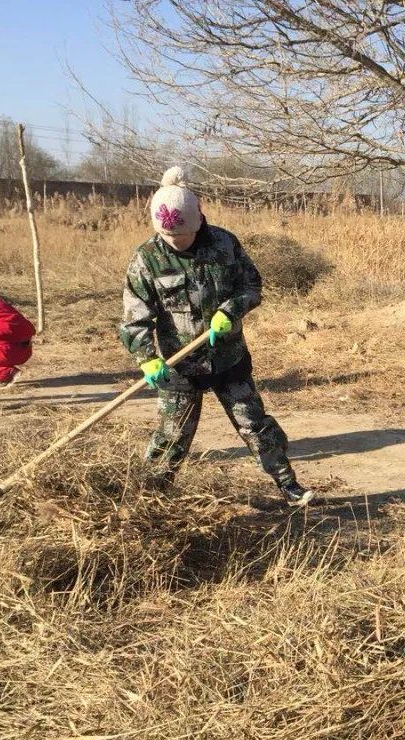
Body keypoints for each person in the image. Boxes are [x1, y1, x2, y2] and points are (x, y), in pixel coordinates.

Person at [120, 166, 313, 504]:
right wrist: (147, 359)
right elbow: (134, 319)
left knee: (254, 425)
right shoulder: (146, 259)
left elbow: (251, 286)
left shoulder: (224, 243)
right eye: (169, 239)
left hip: (228, 358)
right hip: (178, 365)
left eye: (182, 237)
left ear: (198, 220)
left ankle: (288, 484)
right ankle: (149, 496)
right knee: (172, 436)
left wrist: (231, 310)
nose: (175, 243)